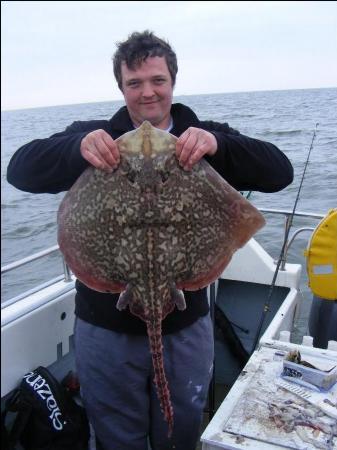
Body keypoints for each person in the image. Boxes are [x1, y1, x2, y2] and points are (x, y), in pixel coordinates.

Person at [7, 30, 294, 450]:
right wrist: (76, 149)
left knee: (180, 431)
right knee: (114, 435)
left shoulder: (204, 134)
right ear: (121, 86)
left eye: (157, 80)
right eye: (134, 83)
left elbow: (279, 172)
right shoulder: (95, 136)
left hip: (185, 326)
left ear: (173, 82)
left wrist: (219, 145)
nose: (147, 93)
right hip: (105, 328)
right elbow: (20, 170)